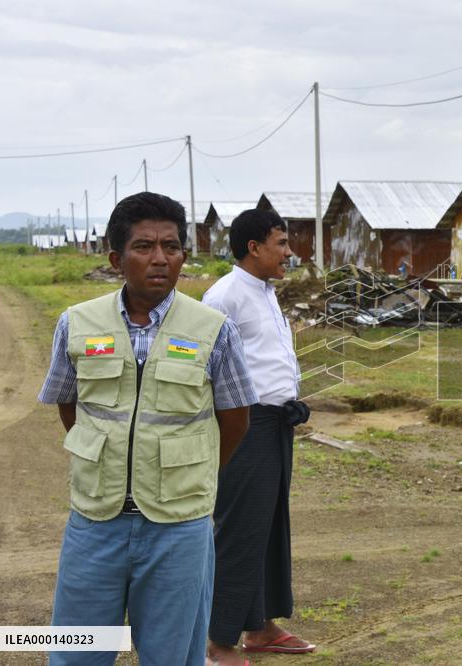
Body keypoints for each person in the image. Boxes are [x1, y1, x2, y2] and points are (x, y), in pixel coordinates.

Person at [38, 192, 257, 665]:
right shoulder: (76, 324)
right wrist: (113, 456)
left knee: (171, 656)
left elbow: (235, 420)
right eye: (143, 246)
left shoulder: (214, 330)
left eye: (171, 246)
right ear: (116, 259)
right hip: (96, 522)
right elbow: (69, 405)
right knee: (77, 653)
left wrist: (187, 473)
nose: (160, 258)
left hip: (178, 528)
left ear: (183, 255)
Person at [203, 209, 314, 662]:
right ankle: (216, 643)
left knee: (268, 528)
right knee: (240, 530)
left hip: (275, 424)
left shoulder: (265, 292)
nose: (289, 252)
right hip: (244, 426)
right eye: (281, 243)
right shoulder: (224, 297)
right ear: (254, 247)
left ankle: (262, 628)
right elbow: (203, 368)